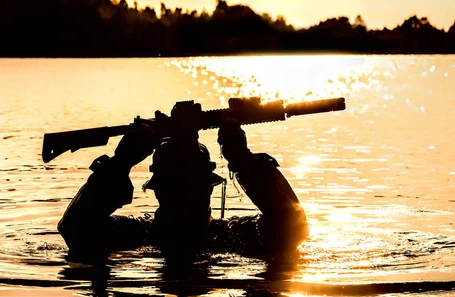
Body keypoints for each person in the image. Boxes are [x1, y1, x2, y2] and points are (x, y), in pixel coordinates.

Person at [57, 102, 309, 262]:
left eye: (190, 185)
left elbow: (295, 227)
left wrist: (244, 160)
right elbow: (73, 229)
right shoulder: (138, 234)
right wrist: (120, 162)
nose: (186, 196)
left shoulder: (231, 235)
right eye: (179, 186)